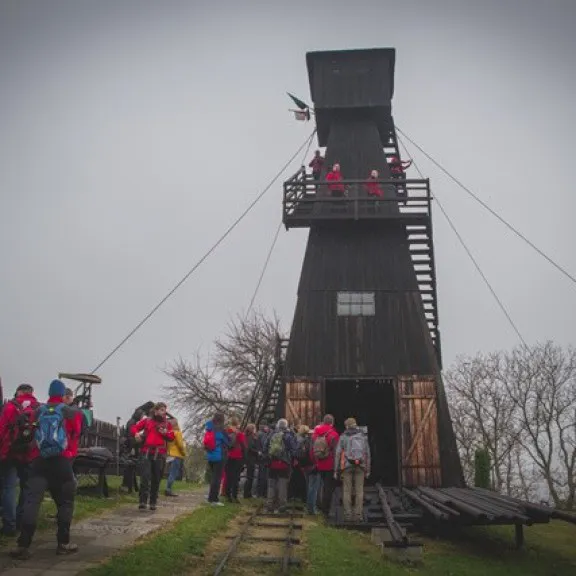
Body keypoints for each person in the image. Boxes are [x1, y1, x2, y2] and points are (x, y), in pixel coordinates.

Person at [10, 379, 83, 559]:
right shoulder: (72, 412)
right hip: (62, 463)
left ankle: (23, 545)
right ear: (63, 394)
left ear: (49, 393)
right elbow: (77, 433)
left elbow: (27, 428)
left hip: (39, 462)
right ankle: (63, 543)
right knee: (65, 503)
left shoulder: (38, 411)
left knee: (32, 501)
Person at [0, 384, 39, 537]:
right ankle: (22, 521)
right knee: (26, 489)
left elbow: (2, 429)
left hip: (10, 454)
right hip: (29, 455)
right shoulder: (38, 409)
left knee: (9, 488)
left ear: (19, 392)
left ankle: (9, 524)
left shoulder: (10, 407)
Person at [131, 402, 174, 511]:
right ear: (155, 411)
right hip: (146, 452)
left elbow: (172, 437)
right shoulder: (147, 421)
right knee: (145, 477)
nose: (163, 412)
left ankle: (153, 502)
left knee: (156, 479)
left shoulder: (167, 424)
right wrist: (136, 434)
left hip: (159, 454)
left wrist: (165, 433)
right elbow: (134, 427)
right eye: (161, 410)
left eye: (164, 410)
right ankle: (142, 501)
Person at [334, 418, 371, 522]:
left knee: (346, 491)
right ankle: (358, 516)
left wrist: (336, 470)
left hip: (347, 466)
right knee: (359, 491)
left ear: (346, 426)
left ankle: (347, 516)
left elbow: (337, 453)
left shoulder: (343, 437)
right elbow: (368, 454)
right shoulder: (363, 437)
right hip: (361, 466)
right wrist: (368, 470)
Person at [263, 418, 297, 513]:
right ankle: (282, 505)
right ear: (286, 426)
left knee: (271, 484)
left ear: (277, 425)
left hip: (272, 463)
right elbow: (294, 450)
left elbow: (265, 447)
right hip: (284, 464)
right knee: (282, 485)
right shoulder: (288, 436)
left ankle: (270, 504)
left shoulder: (271, 434)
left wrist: (268, 457)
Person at [121, 401, 154, 494]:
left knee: (135, 466)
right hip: (131, 448)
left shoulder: (135, 418)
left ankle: (130, 485)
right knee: (135, 465)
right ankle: (128, 485)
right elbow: (131, 436)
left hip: (132, 446)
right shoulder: (136, 420)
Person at [311, 414, 340, 516]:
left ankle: (318, 506)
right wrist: (338, 467)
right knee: (329, 487)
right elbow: (337, 452)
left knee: (319, 486)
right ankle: (326, 510)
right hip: (330, 465)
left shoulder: (315, 434)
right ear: (332, 422)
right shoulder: (334, 434)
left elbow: (312, 450)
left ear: (323, 421)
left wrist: (315, 462)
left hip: (319, 464)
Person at [203, 413, 230, 506]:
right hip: (219, 456)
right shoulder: (221, 430)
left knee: (213, 477)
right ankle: (214, 499)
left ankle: (211, 496)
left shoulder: (209, 427)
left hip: (210, 456)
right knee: (217, 478)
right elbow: (228, 443)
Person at [224, 417, 246, 503]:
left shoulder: (226, 432)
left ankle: (227, 495)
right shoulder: (239, 434)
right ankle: (235, 496)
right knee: (236, 477)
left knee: (229, 476)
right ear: (238, 424)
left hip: (228, 456)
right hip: (237, 457)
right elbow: (244, 446)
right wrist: (244, 458)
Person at [290, 425, 312, 503]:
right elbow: (305, 453)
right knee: (303, 480)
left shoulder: (296, 438)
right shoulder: (306, 440)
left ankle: (293, 495)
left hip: (295, 461)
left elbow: (293, 449)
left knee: (295, 479)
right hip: (301, 462)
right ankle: (303, 497)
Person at [165, 418, 186, 497]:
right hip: (177, 455)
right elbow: (180, 445)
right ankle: (168, 489)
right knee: (173, 473)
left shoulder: (169, 433)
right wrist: (183, 453)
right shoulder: (177, 433)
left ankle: (168, 488)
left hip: (169, 455)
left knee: (170, 472)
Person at [243, 423, 259, 499]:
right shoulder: (250, 437)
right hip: (250, 459)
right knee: (249, 476)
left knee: (250, 476)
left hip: (249, 458)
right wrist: (257, 452)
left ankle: (248, 493)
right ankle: (246, 493)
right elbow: (250, 448)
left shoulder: (248, 436)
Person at [255, 421, 271, 498]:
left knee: (261, 476)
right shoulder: (264, 435)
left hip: (261, 457)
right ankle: (263, 493)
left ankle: (259, 492)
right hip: (265, 458)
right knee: (264, 476)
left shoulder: (258, 434)